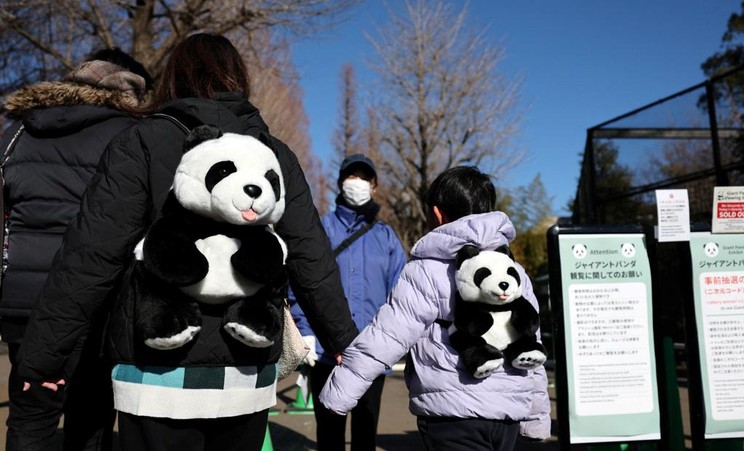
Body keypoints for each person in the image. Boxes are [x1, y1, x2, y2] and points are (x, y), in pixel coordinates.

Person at [16, 33, 359, 451]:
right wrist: (343, 341)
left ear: (172, 80)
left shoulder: (140, 142)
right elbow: (311, 257)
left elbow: (90, 258)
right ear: (238, 79)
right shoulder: (273, 154)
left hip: (155, 373)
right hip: (245, 373)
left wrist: (41, 360)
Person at [320, 166, 551, 450]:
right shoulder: (515, 272)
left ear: (437, 214)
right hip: (508, 417)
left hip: (451, 412)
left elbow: (387, 336)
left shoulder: (426, 271)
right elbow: (531, 346)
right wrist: (537, 417)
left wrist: (338, 394)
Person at [0, 47, 152, 451]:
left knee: (31, 411)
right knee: (91, 416)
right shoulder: (130, 135)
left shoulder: (17, 131)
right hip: (93, 302)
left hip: (22, 302)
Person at [289, 153, 406, 451]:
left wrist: (394, 342)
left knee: (366, 435)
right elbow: (302, 281)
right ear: (340, 183)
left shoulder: (387, 237)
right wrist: (306, 329)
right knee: (329, 435)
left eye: (364, 177)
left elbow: (401, 294)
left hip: (371, 352)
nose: (358, 182)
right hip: (328, 350)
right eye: (351, 176)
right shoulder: (320, 229)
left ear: (374, 186)